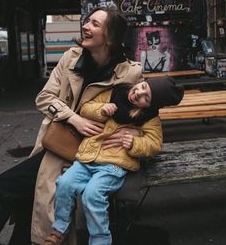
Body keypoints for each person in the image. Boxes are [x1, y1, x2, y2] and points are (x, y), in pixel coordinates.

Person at [0, 6, 143, 245]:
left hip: (91, 154)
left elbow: (143, 115)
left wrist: (129, 136)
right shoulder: (71, 58)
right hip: (58, 143)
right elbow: (44, 97)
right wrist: (74, 118)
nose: (85, 26)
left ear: (110, 37)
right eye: (87, 21)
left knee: (7, 189)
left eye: (94, 24)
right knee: (17, 194)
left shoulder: (130, 74)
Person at [43, 77, 184, 245]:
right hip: (87, 158)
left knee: (92, 194)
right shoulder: (115, 93)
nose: (138, 93)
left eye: (146, 97)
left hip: (113, 165)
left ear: (151, 106)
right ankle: (59, 230)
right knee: (64, 183)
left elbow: (154, 144)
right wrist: (101, 109)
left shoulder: (149, 118)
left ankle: (100, 240)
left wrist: (135, 143)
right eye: (143, 86)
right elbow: (86, 108)